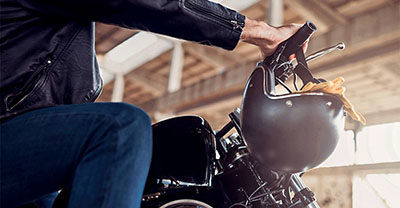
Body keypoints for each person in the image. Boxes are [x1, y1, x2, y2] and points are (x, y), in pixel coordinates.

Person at [0, 0, 302, 207]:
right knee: (119, 128)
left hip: (25, 141)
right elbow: (141, 4)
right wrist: (262, 32)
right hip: (11, 128)